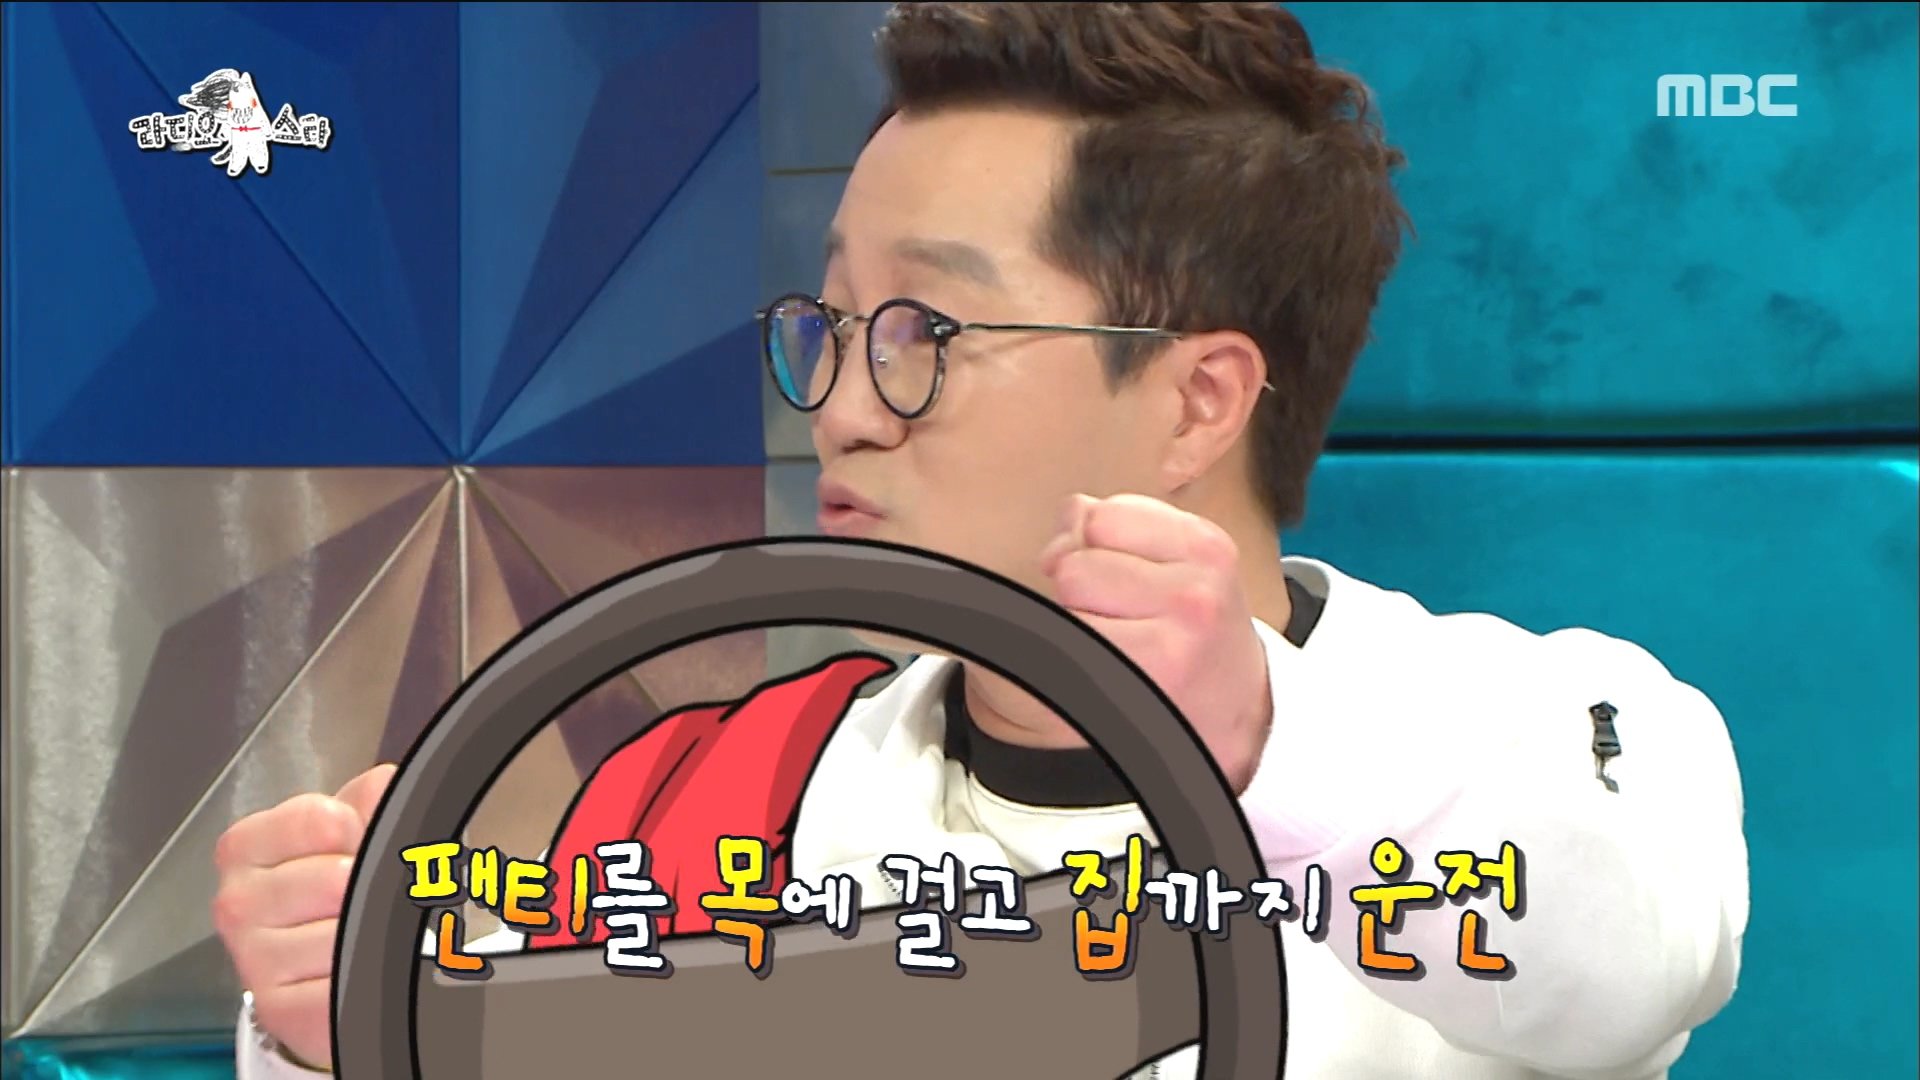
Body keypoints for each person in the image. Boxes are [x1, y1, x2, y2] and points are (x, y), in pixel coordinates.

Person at [213, 3, 1749, 1076]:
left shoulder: (1545, 728)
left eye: (923, 333)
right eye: (829, 324)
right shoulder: (706, 801)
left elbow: (1628, 960)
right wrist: (349, 1023)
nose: (841, 411)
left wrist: (1264, 738)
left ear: (1199, 398)